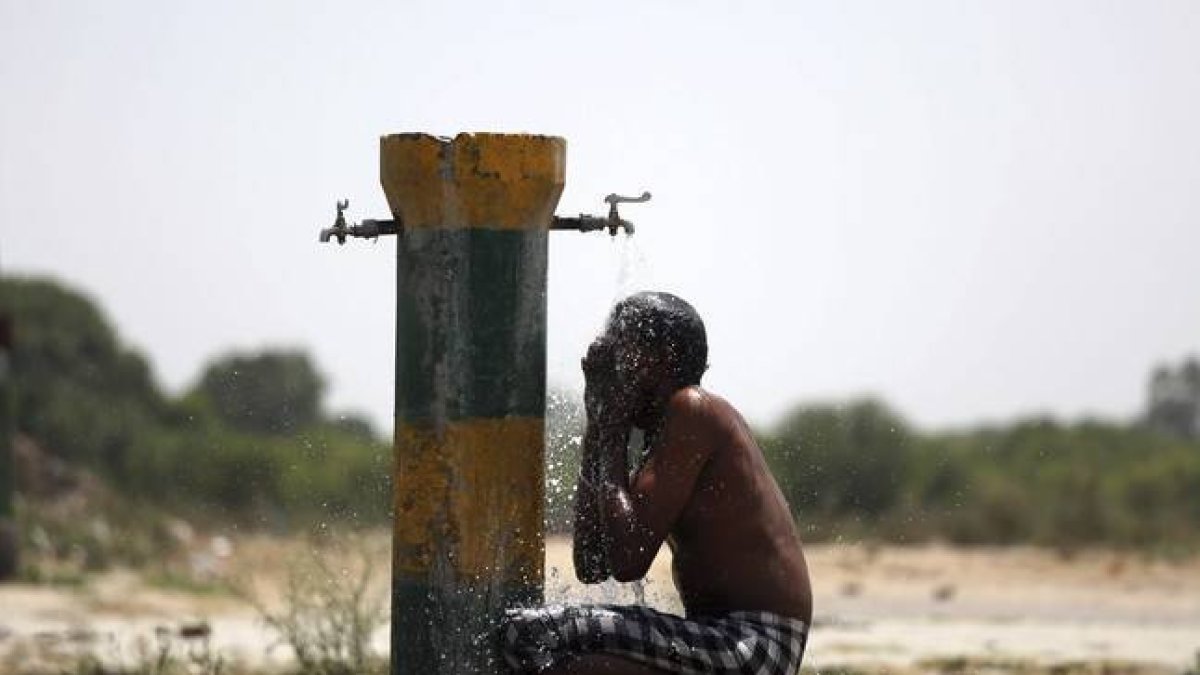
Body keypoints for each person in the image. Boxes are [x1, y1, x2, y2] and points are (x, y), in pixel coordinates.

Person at [502, 292, 812, 675]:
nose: (604, 358)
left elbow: (629, 559)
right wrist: (598, 425)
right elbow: (592, 563)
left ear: (659, 360)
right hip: (719, 638)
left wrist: (611, 430)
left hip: (755, 642)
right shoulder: (661, 439)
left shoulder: (693, 409)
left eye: (618, 345)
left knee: (531, 634)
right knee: (570, 656)